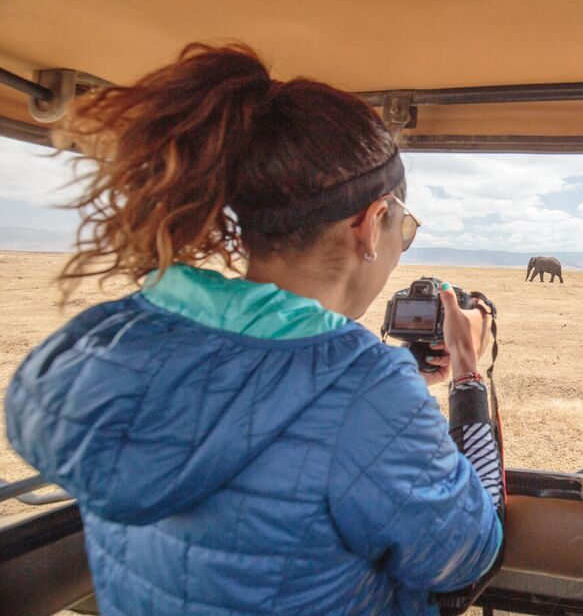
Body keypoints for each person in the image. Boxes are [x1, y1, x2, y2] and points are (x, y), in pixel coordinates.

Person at [5, 43, 503, 615]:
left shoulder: (114, 336)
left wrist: (390, 397)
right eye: (404, 229)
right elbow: (468, 558)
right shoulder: (365, 389)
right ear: (370, 224)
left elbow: (251, 395)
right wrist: (468, 375)